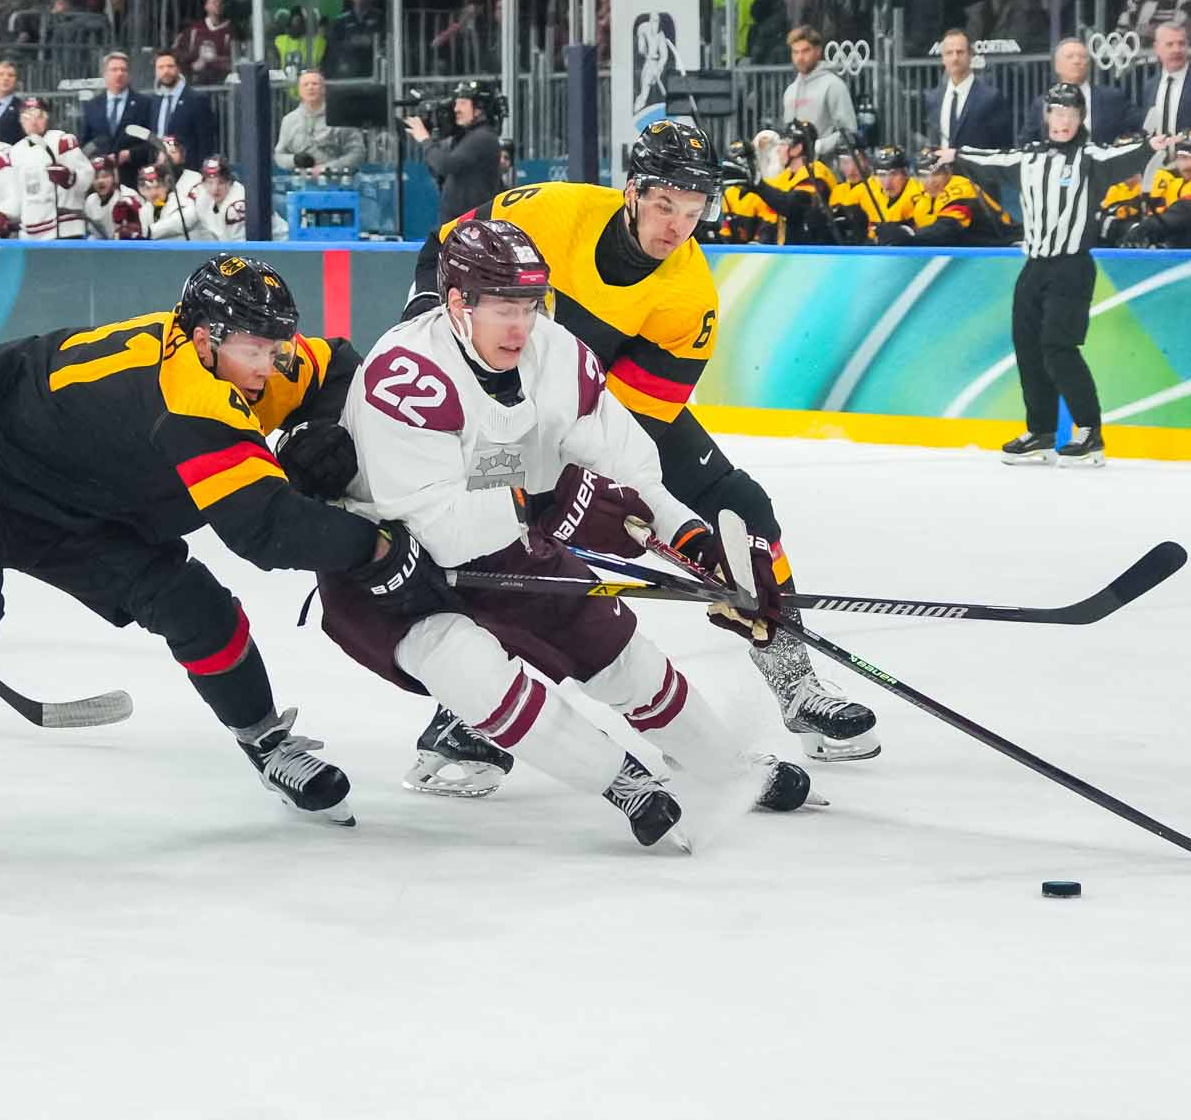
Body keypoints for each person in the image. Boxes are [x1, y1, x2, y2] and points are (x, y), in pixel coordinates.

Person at [0, 258, 431, 866]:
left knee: (195, 606)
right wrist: (375, 547)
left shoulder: (257, 358)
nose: (268, 365)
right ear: (204, 340)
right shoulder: (189, 398)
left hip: (82, 500)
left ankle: (265, 742)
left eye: (276, 347)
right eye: (253, 350)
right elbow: (265, 530)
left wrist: (318, 428)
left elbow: (343, 370)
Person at [293, 218, 812, 844]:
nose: (521, 326)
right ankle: (620, 779)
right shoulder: (406, 374)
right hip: (389, 570)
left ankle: (728, 768)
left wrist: (695, 547)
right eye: (503, 309)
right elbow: (445, 530)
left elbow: (632, 471)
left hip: (506, 539)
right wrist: (549, 502)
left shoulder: (557, 353)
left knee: (619, 652)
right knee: (469, 669)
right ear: (457, 303)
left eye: (530, 306)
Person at [400, 121, 883, 789]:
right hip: (485, 404)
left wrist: (631, 508)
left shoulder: (689, 297)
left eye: (693, 209)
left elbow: (626, 423)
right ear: (632, 192)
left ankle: (794, 679)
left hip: (584, 406)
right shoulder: (552, 211)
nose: (677, 226)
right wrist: (426, 331)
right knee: (510, 534)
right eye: (664, 205)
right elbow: (445, 246)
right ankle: (465, 717)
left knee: (741, 504)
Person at [936, 84, 1171, 467]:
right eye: (1057, 113)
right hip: (1034, 267)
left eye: (1071, 114)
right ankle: (1041, 433)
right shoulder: (1029, 158)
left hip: (1071, 267)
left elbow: (1121, 155)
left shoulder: (1090, 158)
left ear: (1081, 118)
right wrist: (955, 155)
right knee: (1028, 350)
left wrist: (1150, 146)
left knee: (1058, 348)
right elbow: (993, 160)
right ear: (1047, 116)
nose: (1063, 121)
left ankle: (1089, 433)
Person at [719, 119, 836, 245]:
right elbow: (771, 198)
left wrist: (757, 183)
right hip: (791, 249)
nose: (778, 149)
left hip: (815, 250)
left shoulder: (816, 173)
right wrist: (746, 184)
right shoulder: (786, 176)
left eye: (783, 144)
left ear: (797, 148)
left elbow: (792, 206)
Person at [405, 79, 503, 225]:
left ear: (479, 108)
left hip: (471, 226)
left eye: (462, 103)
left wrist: (425, 139)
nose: (456, 109)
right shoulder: (469, 137)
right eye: (456, 103)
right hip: (461, 225)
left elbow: (445, 165)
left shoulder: (483, 137)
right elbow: (439, 169)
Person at [0, 96, 93, 239]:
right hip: (30, 233)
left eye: (39, 116)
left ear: (47, 118)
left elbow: (87, 177)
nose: (33, 122)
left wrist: (70, 178)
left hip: (65, 229)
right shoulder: (15, 151)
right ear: (21, 121)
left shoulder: (62, 141)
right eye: (27, 117)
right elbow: (17, 195)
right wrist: (3, 214)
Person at [876, 151, 1015, 246]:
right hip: (973, 254)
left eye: (936, 174)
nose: (930, 182)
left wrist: (909, 234)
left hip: (1006, 247)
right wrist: (894, 230)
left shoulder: (961, 188)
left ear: (948, 171)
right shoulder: (923, 196)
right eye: (923, 176)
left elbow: (947, 229)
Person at [1025, 37, 1142, 145]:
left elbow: (1139, 128)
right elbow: (1027, 142)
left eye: (1083, 57)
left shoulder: (1112, 98)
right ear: (1057, 66)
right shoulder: (1042, 103)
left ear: (1089, 64)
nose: (1077, 61)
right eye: (1070, 57)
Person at [924, 28, 1013, 150]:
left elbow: (1003, 147)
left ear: (970, 55)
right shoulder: (933, 98)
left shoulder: (990, 98)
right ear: (943, 58)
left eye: (960, 52)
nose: (955, 58)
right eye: (949, 53)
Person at [778, 26, 856, 157]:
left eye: (805, 51)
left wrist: (819, 146)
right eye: (795, 52)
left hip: (827, 165)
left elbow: (849, 132)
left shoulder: (833, 85)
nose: (800, 57)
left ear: (818, 51)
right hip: (797, 166)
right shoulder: (790, 92)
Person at [273, 69, 365, 179]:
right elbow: (279, 156)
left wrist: (327, 169)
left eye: (315, 84)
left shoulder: (341, 117)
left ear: (324, 89)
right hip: (300, 183)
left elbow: (357, 153)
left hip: (337, 182)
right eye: (305, 85)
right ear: (299, 91)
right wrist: (294, 160)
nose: (310, 88)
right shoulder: (289, 120)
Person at [81, 51, 153, 188]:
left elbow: (151, 142)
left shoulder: (144, 104)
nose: (119, 74)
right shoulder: (92, 105)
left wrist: (130, 154)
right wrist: (100, 159)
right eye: (114, 70)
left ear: (129, 75)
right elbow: (86, 144)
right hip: (101, 181)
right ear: (105, 74)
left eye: (123, 70)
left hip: (134, 178)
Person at [148, 50, 215, 162]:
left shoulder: (197, 99)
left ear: (178, 69)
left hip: (188, 167)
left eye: (170, 66)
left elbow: (206, 141)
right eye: (161, 67)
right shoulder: (154, 101)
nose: (166, 71)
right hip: (159, 167)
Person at [81, 155, 145, 239]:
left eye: (105, 176)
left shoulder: (128, 195)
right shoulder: (90, 201)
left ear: (114, 177)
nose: (100, 181)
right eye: (96, 177)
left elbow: (144, 228)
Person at [0, 60, 26, 145]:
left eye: (10, 75)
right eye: (1, 74)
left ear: (16, 81)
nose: (5, 78)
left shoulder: (22, 109)